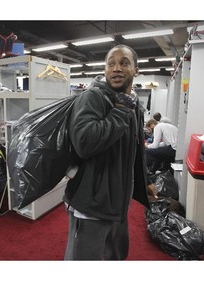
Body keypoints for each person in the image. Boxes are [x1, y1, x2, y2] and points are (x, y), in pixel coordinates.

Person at [63, 44, 150, 260]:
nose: (116, 68)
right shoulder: (94, 97)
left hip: (118, 203)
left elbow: (135, 151)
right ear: (105, 70)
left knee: (115, 257)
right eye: (110, 64)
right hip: (91, 206)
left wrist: (144, 181)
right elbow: (84, 142)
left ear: (136, 70)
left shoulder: (134, 106)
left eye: (124, 63)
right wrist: (120, 113)